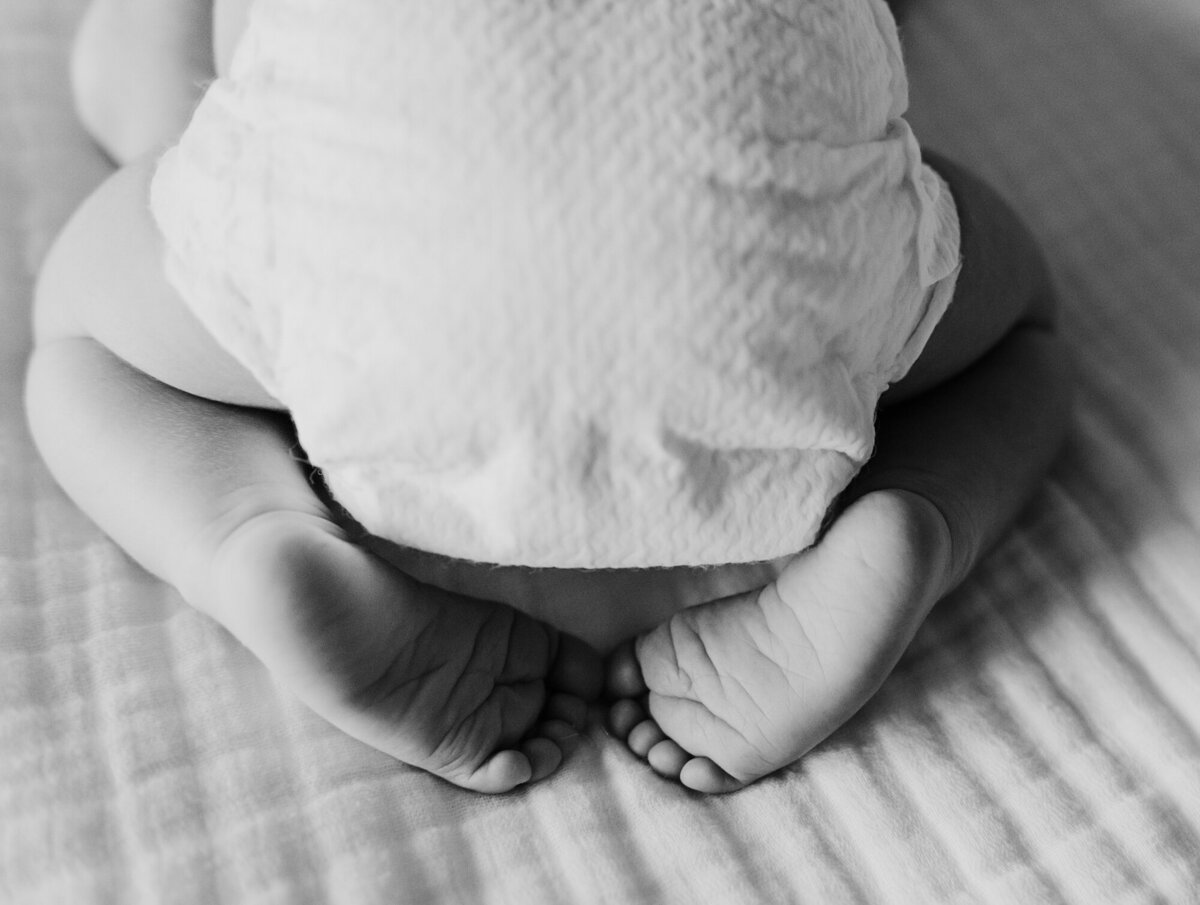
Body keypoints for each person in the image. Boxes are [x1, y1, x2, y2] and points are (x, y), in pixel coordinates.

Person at [26, 0, 1070, 795]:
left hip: (373, 248)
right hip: (770, 262)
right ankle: (922, 516)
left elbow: (130, 78)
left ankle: (248, 534)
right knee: (1020, 339)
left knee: (77, 346)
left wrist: (197, 175)